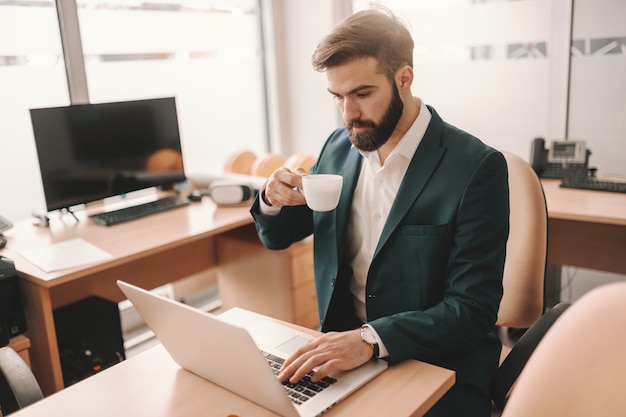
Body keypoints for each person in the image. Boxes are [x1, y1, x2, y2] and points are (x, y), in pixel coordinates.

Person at [250, 7, 509, 417]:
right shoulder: (337, 147)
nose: (348, 114)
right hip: (340, 359)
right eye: (337, 96)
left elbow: (472, 310)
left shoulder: (476, 167)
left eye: (362, 94)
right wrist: (271, 197)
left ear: (403, 78)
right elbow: (277, 236)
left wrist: (369, 340)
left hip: (438, 366)